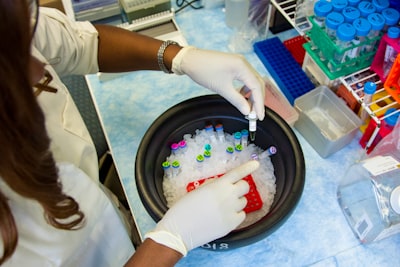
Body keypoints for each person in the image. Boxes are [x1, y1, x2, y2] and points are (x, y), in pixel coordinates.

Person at [0, 0, 265, 266]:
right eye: (12, 66)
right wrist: (170, 242)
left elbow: (81, 43)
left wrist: (181, 57)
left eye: (27, 45)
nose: (40, 69)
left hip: (99, 213)